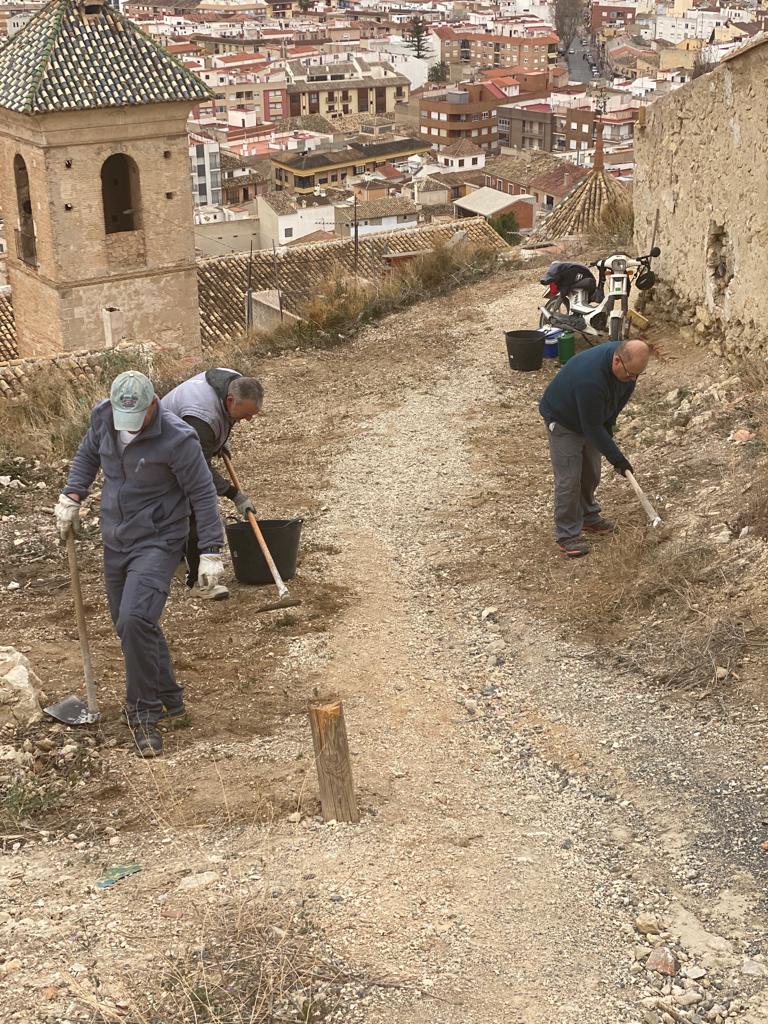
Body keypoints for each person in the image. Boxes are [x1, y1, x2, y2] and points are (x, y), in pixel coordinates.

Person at [54, 371, 226, 757]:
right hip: (116, 539)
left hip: (159, 540)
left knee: (135, 619)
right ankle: (169, 696)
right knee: (130, 625)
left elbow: (202, 494)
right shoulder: (103, 417)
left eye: (137, 418)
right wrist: (73, 494)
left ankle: (143, 714)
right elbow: (86, 455)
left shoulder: (178, 438)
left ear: (153, 405)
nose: (127, 426)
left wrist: (212, 551)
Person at [539, 338, 650, 558]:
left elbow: (614, 406)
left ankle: (589, 517)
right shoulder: (590, 380)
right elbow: (591, 427)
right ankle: (567, 534)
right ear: (617, 360)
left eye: (638, 375)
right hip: (563, 419)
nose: (633, 380)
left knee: (591, 472)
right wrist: (618, 459)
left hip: (590, 416)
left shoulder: (627, 366)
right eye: (630, 374)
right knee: (570, 478)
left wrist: (608, 426)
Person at [161, 369, 264, 599]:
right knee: (197, 508)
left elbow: (223, 420)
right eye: (246, 414)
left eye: (252, 414)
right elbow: (200, 470)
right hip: (159, 454)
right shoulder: (201, 417)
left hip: (183, 439)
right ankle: (198, 582)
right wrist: (234, 494)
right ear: (230, 401)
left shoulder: (232, 380)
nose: (248, 419)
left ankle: (174, 558)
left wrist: (216, 443)